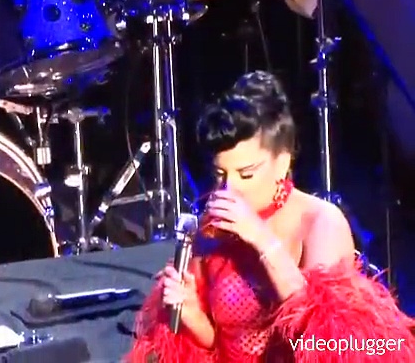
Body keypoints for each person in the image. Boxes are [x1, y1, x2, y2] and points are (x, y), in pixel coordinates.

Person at [128, 71, 415, 362]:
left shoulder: (320, 222)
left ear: (283, 162)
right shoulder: (213, 230)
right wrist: (194, 315)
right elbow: (218, 345)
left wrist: (261, 238)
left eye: (246, 174)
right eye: (220, 174)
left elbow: (324, 340)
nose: (229, 188)